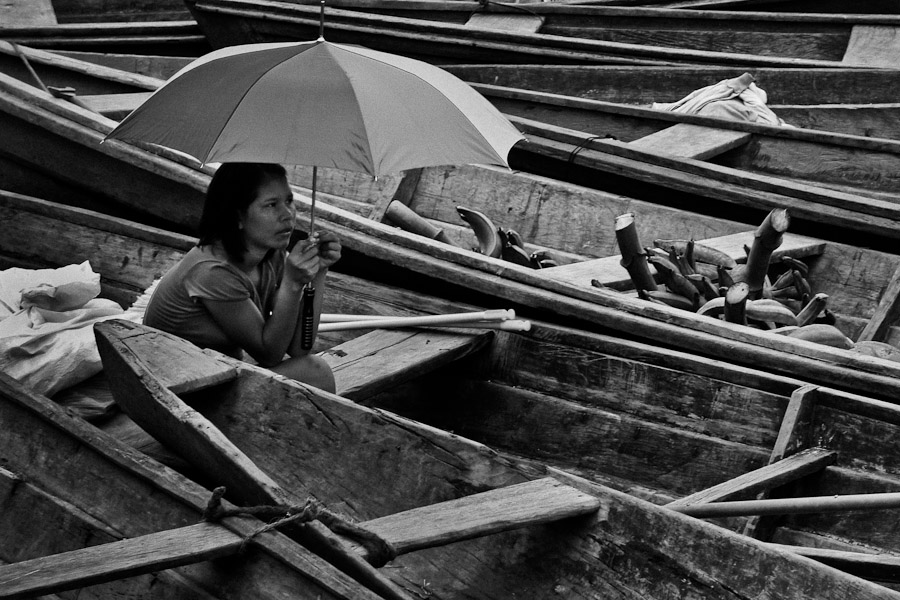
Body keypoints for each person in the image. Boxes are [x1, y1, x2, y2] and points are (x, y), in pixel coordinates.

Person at [144, 162, 340, 392]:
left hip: (221, 374)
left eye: (289, 201)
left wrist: (317, 272)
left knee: (311, 369)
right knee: (314, 373)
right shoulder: (211, 271)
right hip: (180, 393)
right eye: (271, 205)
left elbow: (298, 348)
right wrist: (292, 282)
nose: (287, 215)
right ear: (237, 215)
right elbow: (269, 354)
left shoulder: (271, 254)